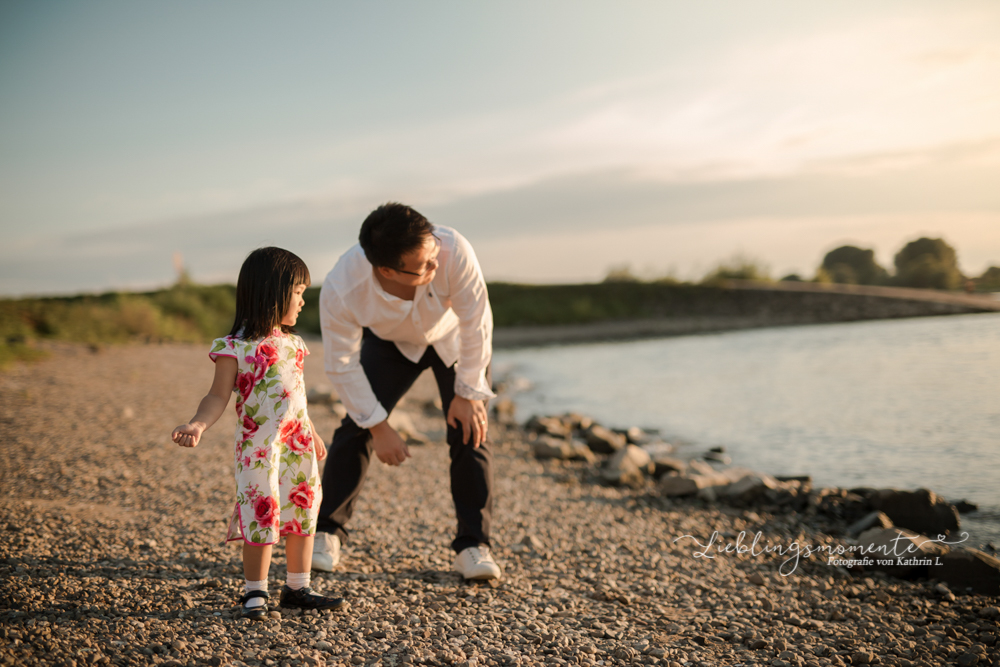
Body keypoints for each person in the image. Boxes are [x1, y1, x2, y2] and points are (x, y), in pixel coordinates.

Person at [314, 202, 501, 580]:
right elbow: (341, 365)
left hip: (453, 341)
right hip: (390, 344)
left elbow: (477, 323)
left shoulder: (452, 249)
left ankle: (473, 545)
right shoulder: (342, 288)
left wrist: (467, 393)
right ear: (386, 270)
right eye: (424, 267)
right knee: (355, 427)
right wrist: (380, 427)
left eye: (435, 256)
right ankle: (326, 533)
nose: (435, 267)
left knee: (471, 430)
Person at [171, 247, 346, 619]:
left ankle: (298, 587)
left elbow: (296, 396)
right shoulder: (234, 347)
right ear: (272, 291)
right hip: (259, 447)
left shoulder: (294, 345)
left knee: (302, 509)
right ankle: (256, 591)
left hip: (297, 443)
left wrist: (311, 431)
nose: (301, 301)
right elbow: (217, 396)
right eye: (297, 293)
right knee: (260, 512)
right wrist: (197, 424)